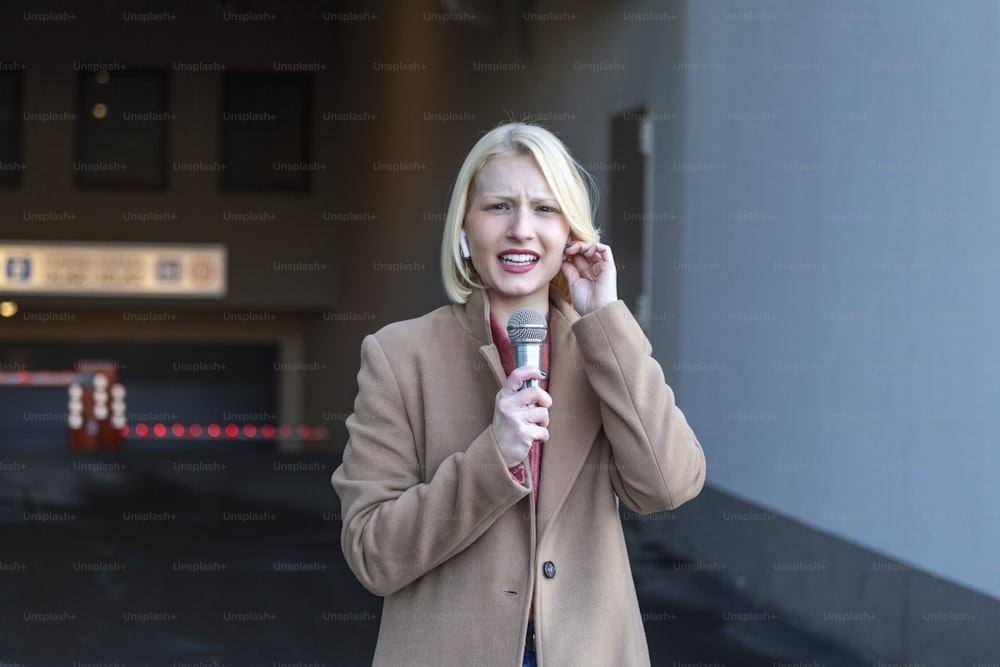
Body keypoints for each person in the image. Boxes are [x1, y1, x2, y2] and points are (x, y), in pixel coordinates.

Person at [331, 122, 706, 666]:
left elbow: (668, 486)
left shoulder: (602, 347)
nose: (521, 229)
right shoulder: (398, 356)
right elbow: (373, 554)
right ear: (465, 226)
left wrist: (606, 321)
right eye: (499, 206)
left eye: (545, 209)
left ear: (572, 231)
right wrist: (493, 458)